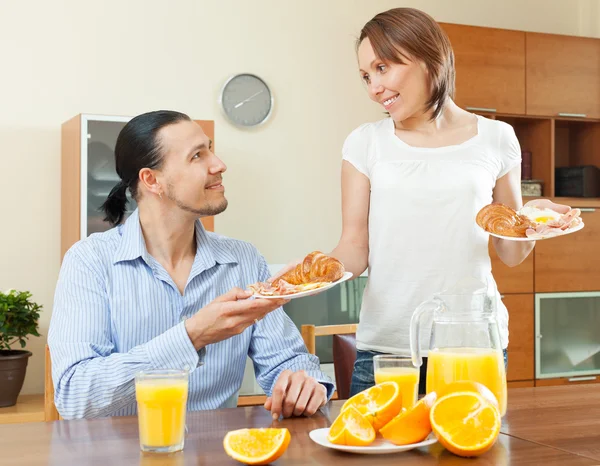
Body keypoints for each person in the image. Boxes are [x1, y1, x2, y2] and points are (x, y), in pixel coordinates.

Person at [274, 7, 538, 397]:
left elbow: (512, 253)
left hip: (471, 345)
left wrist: (537, 222)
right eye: (365, 76)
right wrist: (310, 273)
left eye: (383, 68)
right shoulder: (365, 142)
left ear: (428, 57)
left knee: (471, 455)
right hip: (387, 349)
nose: (373, 88)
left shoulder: (497, 138)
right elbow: (354, 248)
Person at [48, 110, 333, 419]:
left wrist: (305, 382)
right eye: (197, 155)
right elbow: (75, 396)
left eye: (210, 148)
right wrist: (192, 335)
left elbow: (287, 361)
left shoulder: (243, 260)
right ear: (151, 180)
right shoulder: (90, 261)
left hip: (219, 453)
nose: (219, 164)